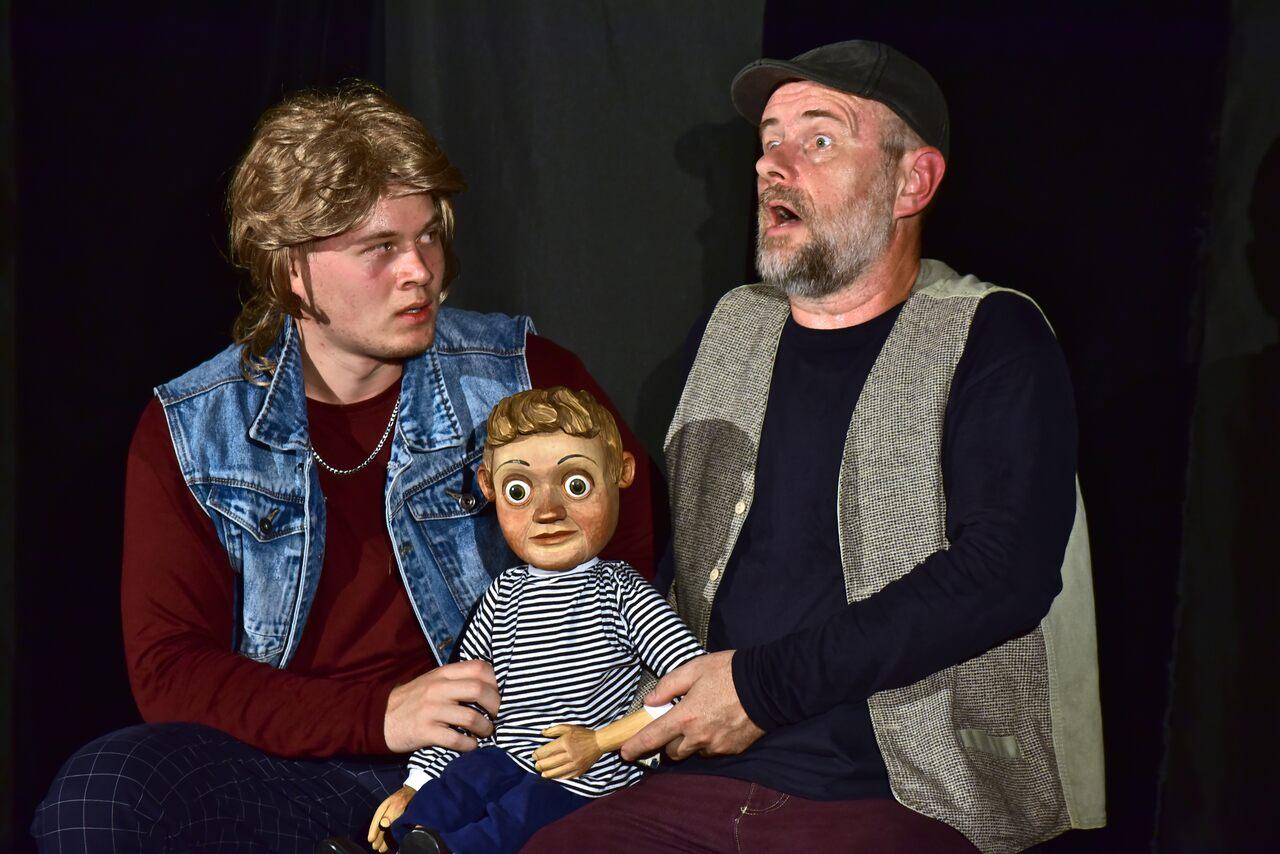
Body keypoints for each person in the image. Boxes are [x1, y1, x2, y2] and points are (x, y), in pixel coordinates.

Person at [30, 84, 660, 853]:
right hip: (294, 764)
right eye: (380, 248)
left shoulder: (525, 376)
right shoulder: (192, 429)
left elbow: (624, 560)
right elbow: (171, 669)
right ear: (292, 267)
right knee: (100, 792)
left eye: (428, 237)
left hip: (490, 768)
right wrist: (378, 715)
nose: (420, 271)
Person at [525, 40, 1105, 854]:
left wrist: (759, 689)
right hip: (692, 779)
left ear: (913, 182)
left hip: (901, 794)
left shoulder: (991, 333)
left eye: (819, 139)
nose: (773, 165)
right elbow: (663, 557)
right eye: (769, 142)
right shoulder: (734, 327)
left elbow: (1003, 573)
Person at [347, 387, 703, 854]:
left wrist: (598, 742)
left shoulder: (621, 593)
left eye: (576, 485)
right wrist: (415, 784)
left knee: (515, 816)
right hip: (504, 759)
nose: (548, 511)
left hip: (582, 780)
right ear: (488, 487)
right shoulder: (503, 595)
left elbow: (692, 688)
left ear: (620, 473)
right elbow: (465, 703)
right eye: (519, 490)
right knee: (458, 788)